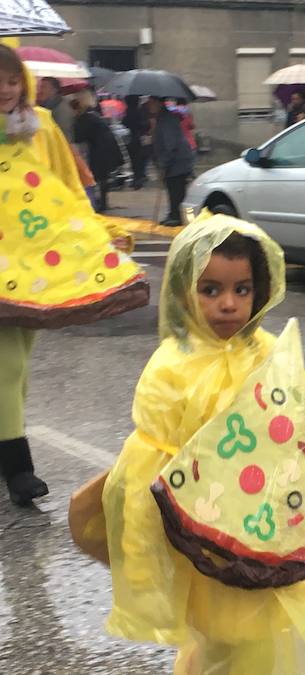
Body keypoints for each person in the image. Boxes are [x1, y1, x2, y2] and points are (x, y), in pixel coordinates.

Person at [102, 212, 305, 674]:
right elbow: (147, 472)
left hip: (272, 528)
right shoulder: (170, 370)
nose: (228, 304)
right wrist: (146, 569)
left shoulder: (265, 354)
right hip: (208, 547)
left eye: (241, 289)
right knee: (237, 641)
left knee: (243, 643)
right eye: (211, 290)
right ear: (184, 291)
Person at [0, 44, 139, 506]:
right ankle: (18, 468)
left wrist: (98, 232)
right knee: (8, 364)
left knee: (19, 367)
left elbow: (65, 189)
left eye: (13, 79)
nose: (6, 88)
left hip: (38, 266)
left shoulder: (39, 128)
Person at [72, 88, 124, 213]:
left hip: (101, 149)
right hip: (105, 146)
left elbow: (79, 136)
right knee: (102, 176)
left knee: (101, 176)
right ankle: (103, 201)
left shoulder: (86, 117)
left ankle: (103, 203)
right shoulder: (91, 114)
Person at [148, 95, 195, 226]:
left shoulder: (167, 119)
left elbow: (171, 144)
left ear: (159, 103)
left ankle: (177, 216)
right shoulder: (162, 118)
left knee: (176, 190)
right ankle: (173, 213)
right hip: (175, 160)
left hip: (177, 160)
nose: (149, 106)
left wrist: (163, 163)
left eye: (151, 103)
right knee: (173, 188)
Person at [36, 75, 75, 142]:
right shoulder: (46, 106)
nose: (39, 90)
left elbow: (63, 136)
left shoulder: (62, 110)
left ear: (54, 90)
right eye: (39, 87)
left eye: (43, 87)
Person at [122, 95, 149, 189]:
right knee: (140, 160)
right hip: (140, 138)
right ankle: (139, 179)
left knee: (134, 160)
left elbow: (124, 122)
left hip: (131, 138)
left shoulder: (128, 111)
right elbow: (146, 124)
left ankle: (136, 179)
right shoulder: (141, 111)